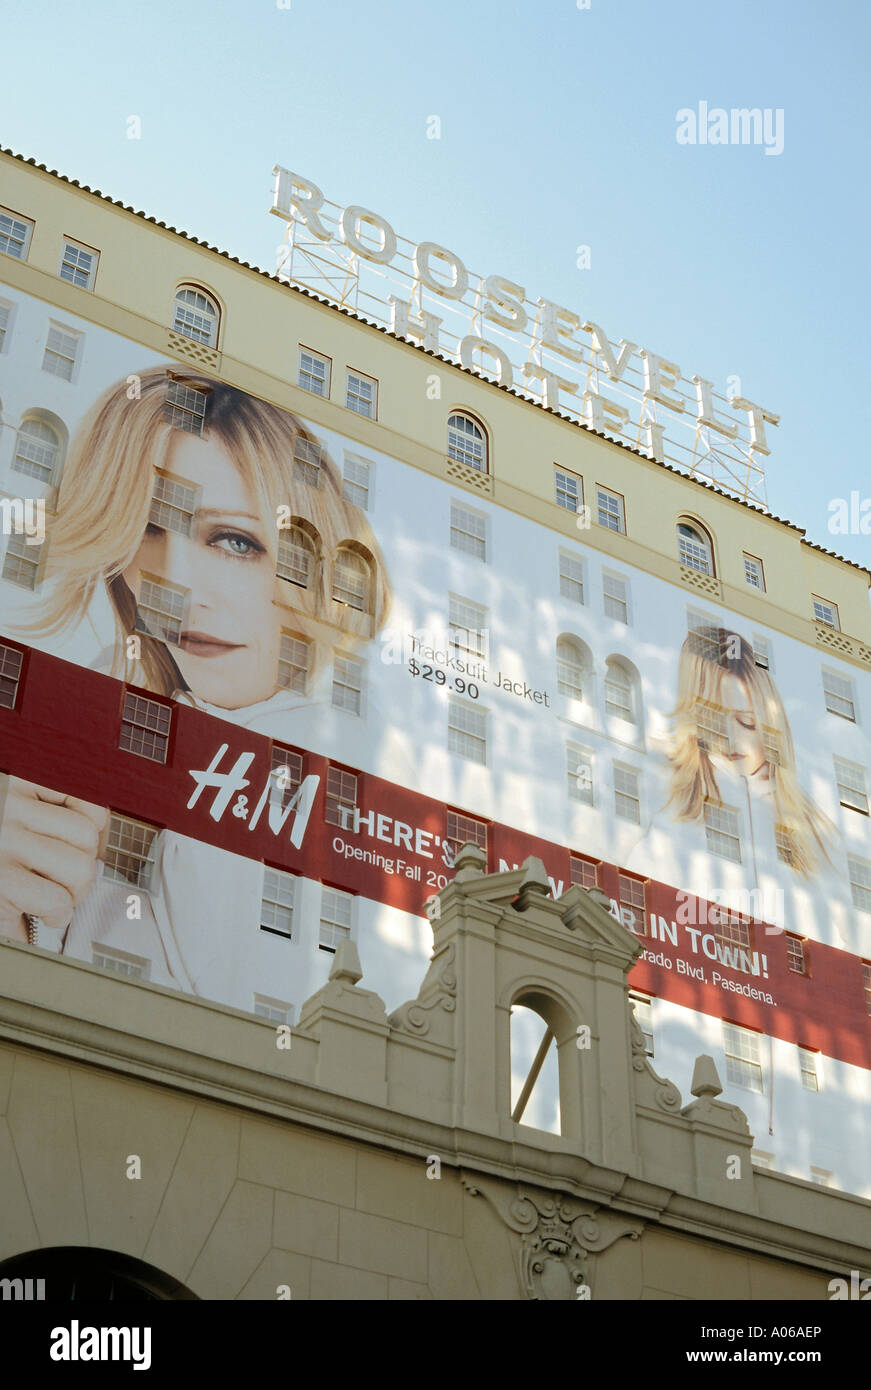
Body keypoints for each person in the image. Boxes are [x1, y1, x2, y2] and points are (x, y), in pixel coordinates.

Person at [0, 366, 393, 1007]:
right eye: (147, 528)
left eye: (233, 541)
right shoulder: (87, 736)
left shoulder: (364, 768)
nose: (174, 585)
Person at [626, 625, 859, 952]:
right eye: (713, 719)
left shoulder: (816, 831)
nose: (732, 739)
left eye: (747, 723)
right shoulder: (664, 781)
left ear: (770, 726)